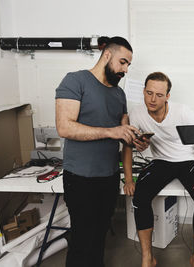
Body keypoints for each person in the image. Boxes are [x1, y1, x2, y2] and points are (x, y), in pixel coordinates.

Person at [55, 36, 140, 267]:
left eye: (128, 65)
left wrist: (135, 139)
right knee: (83, 239)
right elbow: (64, 127)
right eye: (123, 62)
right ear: (107, 55)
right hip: (80, 178)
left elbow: (123, 132)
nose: (125, 69)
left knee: (100, 235)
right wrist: (112, 132)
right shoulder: (75, 81)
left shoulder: (118, 94)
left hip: (109, 177)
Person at [123, 72, 194, 267]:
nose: (153, 99)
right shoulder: (137, 113)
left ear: (167, 96)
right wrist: (129, 179)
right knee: (140, 197)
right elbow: (128, 147)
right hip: (161, 161)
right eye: (148, 93)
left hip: (187, 161)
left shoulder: (182, 111)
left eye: (159, 95)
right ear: (144, 92)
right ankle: (147, 256)